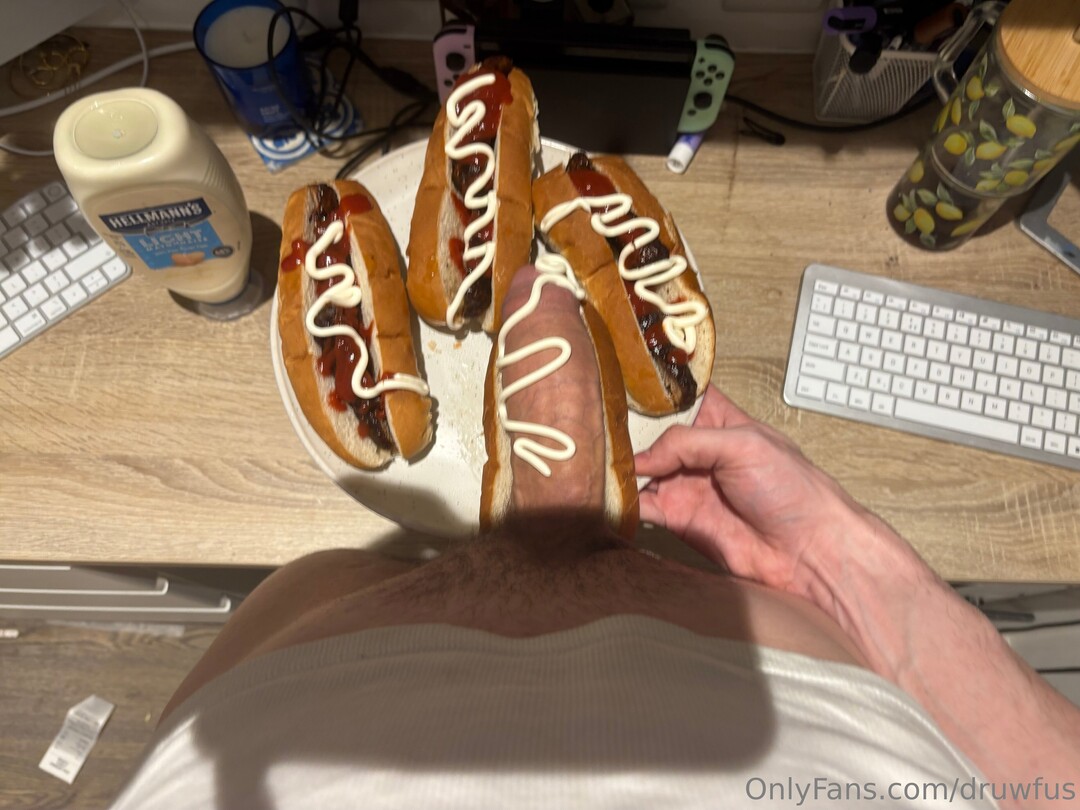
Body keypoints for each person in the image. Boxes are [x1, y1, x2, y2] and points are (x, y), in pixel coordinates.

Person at [110, 266, 1079, 810]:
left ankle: (547, 517)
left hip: (262, 744)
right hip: (834, 751)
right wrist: (846, 563)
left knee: (322, 576)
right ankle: (557, 518)